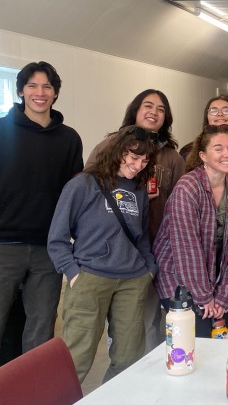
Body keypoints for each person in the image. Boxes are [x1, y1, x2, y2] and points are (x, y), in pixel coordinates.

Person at [0, 61, 83, 394]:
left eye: (46, 87)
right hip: (0, 249)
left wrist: (67, 239)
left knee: (40, 337)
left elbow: (74, 195)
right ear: (20, 91)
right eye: (32, 86)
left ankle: (30, 399)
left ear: (55, 92)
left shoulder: (69, 139)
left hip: (47, 252)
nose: (39, 93)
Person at [48, 126, 158, 382]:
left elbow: (141, 237)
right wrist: (74, 274)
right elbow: (57, 238)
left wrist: (148, 269)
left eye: (144, 160)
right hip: (90, 279)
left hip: (132, 281)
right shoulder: (82, 184)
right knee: (76, 361)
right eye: (133, 157)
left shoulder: (139, 191)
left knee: (128, 360)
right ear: (119, 150)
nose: (138, 165)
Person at [86, 89, 185, 350]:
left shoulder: (172, 158)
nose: (154, 112)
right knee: (117, 326)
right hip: (111, 251)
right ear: (135, 111)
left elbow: (180, 205)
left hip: (153, 252)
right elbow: (88, 191)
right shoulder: (109, 146)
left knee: (150, 323)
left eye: (161, 109)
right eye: (148, 105)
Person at [153, 125, 228, 337]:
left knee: (221, 342)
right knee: (192, 346)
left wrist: (224, 297)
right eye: (218, 148)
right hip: (179, 280)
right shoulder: (188, 188)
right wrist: (204, 297)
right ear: (203, 156)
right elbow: (187, 250)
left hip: (216, 281)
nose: (227, 154)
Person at [180, 95, 228, 164]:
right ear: (207, 118)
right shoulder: (188, 151)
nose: (220, 114)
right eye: (214, 111)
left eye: (226, 110)